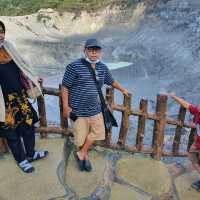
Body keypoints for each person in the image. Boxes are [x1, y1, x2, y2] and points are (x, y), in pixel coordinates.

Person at [61, 38, 129, 172]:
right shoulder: (73, 66)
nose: (94, 53)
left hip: (95, 110)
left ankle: (82, 153)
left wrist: (123, 89)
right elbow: (65, 87)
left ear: (101, 52)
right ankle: (83, 154)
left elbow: (111, 81)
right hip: (78, 110)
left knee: (97, 132)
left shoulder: (103, 67)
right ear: (85, 51)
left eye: (96, 50)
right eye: (90, 50)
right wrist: (65, 107)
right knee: (80, 138)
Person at [0, 21, 48, 173]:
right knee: (11, 133)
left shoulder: (8, 47)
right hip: (4, 103)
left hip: (20, 98)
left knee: (28, 126)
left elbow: (22, 66)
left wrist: (33, 79)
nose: (0, 34)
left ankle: (31, 153)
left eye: (1, 31)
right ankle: (21, 160)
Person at [166, 92, 200, 192]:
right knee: (193, 159)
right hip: (197, 144)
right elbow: (187, 105)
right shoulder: (197, 111)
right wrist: (174, 96)